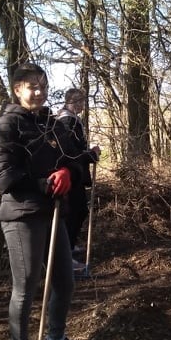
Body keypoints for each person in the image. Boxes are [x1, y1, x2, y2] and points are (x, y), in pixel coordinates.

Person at [0, 63, 100, 340]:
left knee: (65, 281)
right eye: (30, 86)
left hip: (54, 214)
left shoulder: (52, 125)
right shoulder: (8, 126)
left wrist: (74, 169)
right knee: (25, 289)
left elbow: (73, 160)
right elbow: (2, 175)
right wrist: (42, 184)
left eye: (42, 85)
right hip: (22, 216)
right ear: (17, 90)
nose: (38, 92)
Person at [57, 88, 94, 273]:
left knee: (78, 212)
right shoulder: (67, 121)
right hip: (70, 176)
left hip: (75, 174)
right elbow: (70, 154)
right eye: (76, 101)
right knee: (75, 213)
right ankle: (66, 256)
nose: (80, 105)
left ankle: (69, 247)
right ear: (68, 101)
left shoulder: (72, 119)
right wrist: (91, 155)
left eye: (82, 101)